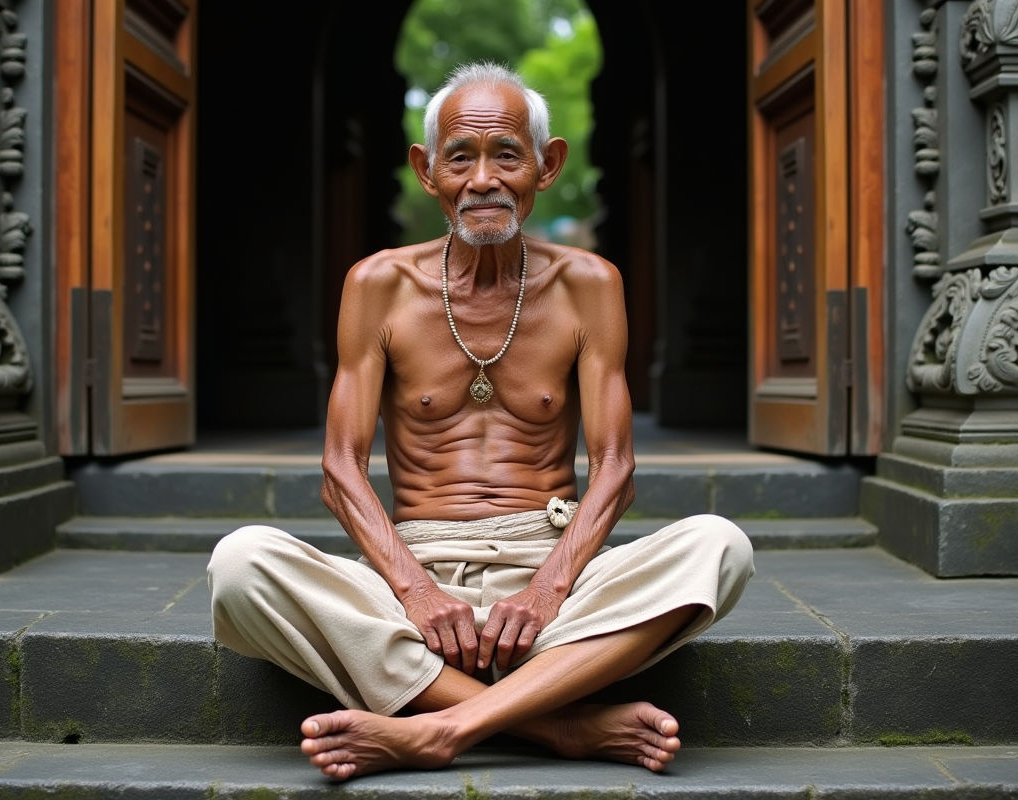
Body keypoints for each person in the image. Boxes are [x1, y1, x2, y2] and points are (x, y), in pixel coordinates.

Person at [208, 62, 754, 781]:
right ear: (427, 171)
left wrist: (547, 588)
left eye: (507, 154)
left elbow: (614, 467)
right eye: (460, 157)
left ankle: (444, 727)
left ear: (546, 166)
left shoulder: (589, 284)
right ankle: (559, 726)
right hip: (415, 574)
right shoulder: (378, 284)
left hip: (551, 573)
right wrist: (417, 590)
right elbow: (341, 470)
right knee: (241, 565)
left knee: (720, 547)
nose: (484, 179)